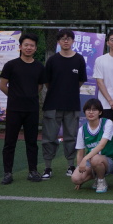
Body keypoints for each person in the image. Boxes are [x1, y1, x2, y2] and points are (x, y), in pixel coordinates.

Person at [0, 33, 45, 184]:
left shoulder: (39, 66)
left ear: (35, 48)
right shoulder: (11, 65)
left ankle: (33, 171)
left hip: (32, 109)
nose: (28, 48)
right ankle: (7, 173)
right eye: (26, 45)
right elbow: (2, 85)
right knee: (9, 142)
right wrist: (15, 96)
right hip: (14, 109)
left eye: (32, 45)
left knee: (32, 142)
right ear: (20, 47)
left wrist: (28, 96)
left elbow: (39, 86)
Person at [42, 29, 87, 179]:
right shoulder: (52, 60)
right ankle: (47, 167)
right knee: (49, 137)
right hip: (52, 104)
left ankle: (71, 165)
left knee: (71, 137)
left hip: (72, 104)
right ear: (58, 42)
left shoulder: (79, 59)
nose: (65, 41)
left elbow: (80, 81)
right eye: (62, 38)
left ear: (73, 41)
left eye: (68, 38)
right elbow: (47, 82)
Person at [71, 99, 113, 193]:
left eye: (94, 110)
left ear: (100, 112)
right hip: (91, 160)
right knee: (76, 178)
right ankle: (97, 175)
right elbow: (80, 152)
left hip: (109, 160)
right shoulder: (82, 130)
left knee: (96, 158)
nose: (91, 112)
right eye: (88, 110)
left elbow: (101, 145)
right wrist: (80, 167)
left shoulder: (107, 123)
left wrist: (85, 159)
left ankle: (101, 181)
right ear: (84, 112)